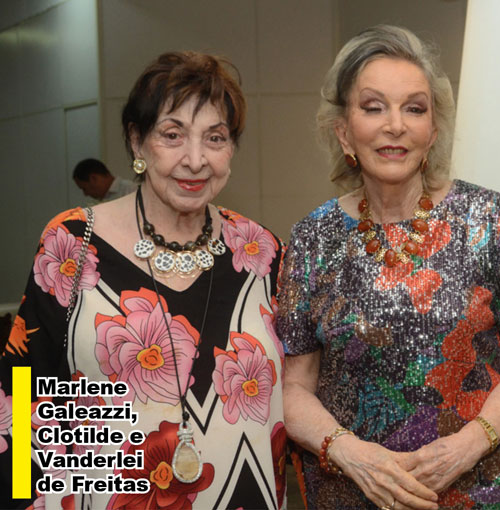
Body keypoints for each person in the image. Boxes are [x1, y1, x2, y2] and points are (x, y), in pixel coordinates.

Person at [277, 25, 500, 510]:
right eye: (374, 106)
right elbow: (295, 387)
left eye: (414, 108)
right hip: (354, 491)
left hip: (481, 488)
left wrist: (466, 447)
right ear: (343, 130)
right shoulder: (312, 238)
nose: (395, 125)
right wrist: (354, 456)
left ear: (433, 130)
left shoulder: (485, 218)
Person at [1, 51, 287, 509]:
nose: (195, 160)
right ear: (137, 142)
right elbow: (18, 389)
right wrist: (19, 498)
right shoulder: (73, 243)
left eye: (215, 137)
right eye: (172, 135)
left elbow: (297, 393)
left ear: (231, 149)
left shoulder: (262, 253)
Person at [72, 158, 137, 202]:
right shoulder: (99, 200)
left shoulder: (130, 190)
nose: (85, 194)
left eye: (84, 188)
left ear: (93, 178)